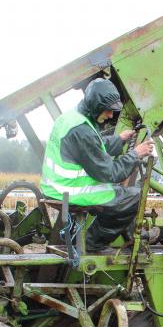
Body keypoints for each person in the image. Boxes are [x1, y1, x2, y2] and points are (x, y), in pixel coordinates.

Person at [40, 78, 155, 253]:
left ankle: (136, 238)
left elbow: (93, 146)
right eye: (108, 110)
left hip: (56, 186)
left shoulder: (74, 118)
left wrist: (120, 139)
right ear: (95, 106)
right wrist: (136, 154)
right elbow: (110, 172)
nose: (110, 115)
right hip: (69, 190)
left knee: (124, 194)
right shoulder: (82, 131)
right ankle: (91, 243)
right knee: (134, 196)